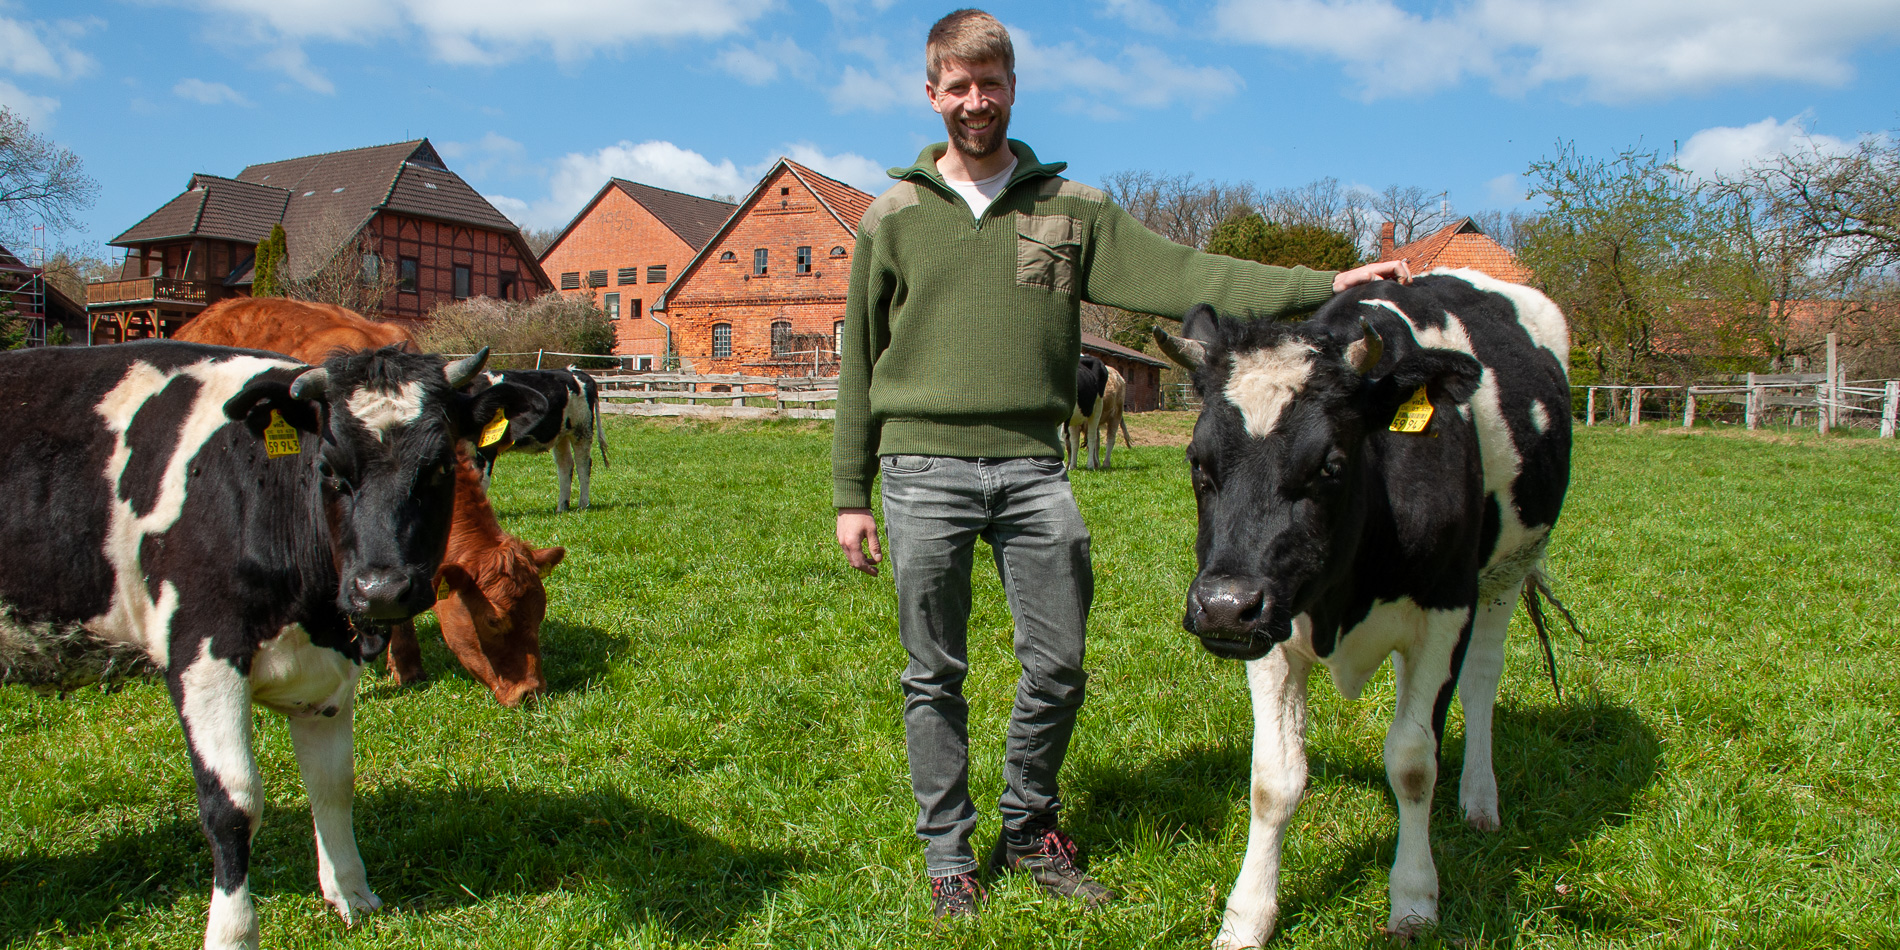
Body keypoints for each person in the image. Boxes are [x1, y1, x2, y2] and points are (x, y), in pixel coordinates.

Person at [831, 7, 1410, 921]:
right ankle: (949, 854)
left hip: (1033, 469)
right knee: (931, 672)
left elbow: (1186, 273)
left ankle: (1029, 826)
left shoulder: (1072, 210)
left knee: (1058, 661)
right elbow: (860, 363)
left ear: (1013, 88)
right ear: (930, 91)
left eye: (991, 83)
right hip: (920, 470)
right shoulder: (891, 218)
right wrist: (849, 493)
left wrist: (1320, 286)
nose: (974, 101)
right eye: (957, 85)